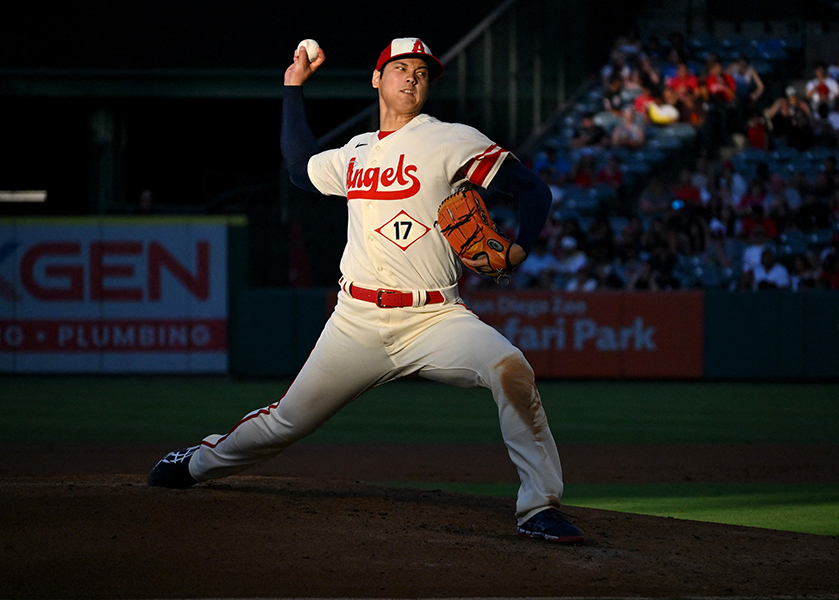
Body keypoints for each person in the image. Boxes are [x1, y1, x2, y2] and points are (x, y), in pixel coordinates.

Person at [147, 37, 584, 544]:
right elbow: (298, 167)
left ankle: (539, 508)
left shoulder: (451, 140)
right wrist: (292, 88)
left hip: (435, 317)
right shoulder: (355, 153)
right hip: (355, 321)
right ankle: (199, 462)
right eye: (400, 67)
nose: (412, 77)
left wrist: (521, 247)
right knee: (287, 421)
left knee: (511, 368)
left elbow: (534, 189)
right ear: (377, 79)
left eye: (421, 70)